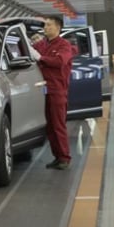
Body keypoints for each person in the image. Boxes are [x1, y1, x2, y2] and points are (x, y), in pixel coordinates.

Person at [31, 15, 75, 170]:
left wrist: (41, 58)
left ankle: (64, 157)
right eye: (45, 25)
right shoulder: (42, 44)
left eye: (49, 25)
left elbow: (59, 62)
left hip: (57, 90)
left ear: (58, 27)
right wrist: (30, 43)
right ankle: (57, 156)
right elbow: (28, 51)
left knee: (58, 125)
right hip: (42, 89)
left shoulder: (64, 45)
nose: (46, 28)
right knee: (50, 126)